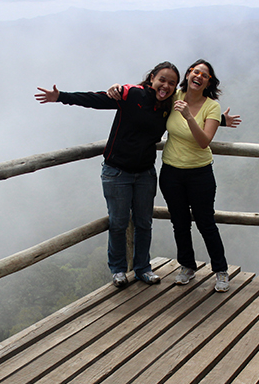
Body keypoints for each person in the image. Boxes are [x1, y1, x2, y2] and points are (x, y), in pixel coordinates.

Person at [35, 62, 179, 287]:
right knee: (119, 223)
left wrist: (220, 120)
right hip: (117, 172)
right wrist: (60, 96)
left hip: (145, 174)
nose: (166, 85)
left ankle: (143, 268)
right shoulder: (131, 94)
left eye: (172, 83)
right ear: (152, 78)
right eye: (162, 79)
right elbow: (96, 100)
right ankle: (119, 270)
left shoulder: (169, 106)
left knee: (144, 223)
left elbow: (192, 114)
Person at [109, 59, 232, 292]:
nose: (199, 77)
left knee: (206, 222)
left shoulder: (211, 106)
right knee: (180, 223)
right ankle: (187, 266)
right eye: (196, 72)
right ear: (188, 74)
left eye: (204, 75)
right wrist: (117, 88)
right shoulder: (175, 96)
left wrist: (193, 117)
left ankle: (221, 271)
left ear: (209, 82)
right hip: (171, 172)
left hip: (200, 173)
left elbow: (204, 140)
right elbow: (147, 95)